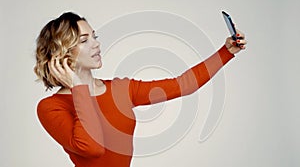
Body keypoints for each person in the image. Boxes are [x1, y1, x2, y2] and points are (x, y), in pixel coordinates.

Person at [34, 12, 247, 167]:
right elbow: (92, 148)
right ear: (62, 53)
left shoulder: (120, 89)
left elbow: (183, 85)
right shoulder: (50, 107)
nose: (96, 44)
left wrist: (226, 51)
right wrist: (79, 88)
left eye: (94, 37)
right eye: (84, 40)